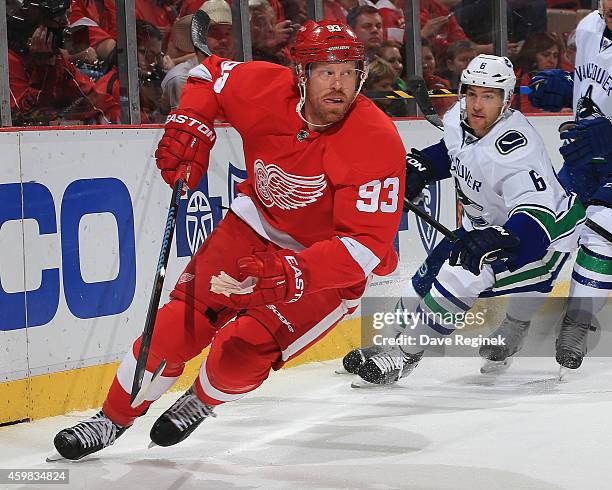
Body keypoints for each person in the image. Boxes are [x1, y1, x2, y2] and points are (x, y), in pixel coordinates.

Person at [52, 19, 406, 459]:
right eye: (325, 71)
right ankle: (112, 417)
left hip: (320, 267)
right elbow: (206, 74)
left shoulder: (375, 139)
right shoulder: (263, 86)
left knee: (243, 351)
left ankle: (202, 399)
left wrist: (292, 274)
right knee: (174, 328)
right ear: (301, 73)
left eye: (349, 72)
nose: (338, 84)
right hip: (252, 227)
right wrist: (193, 120)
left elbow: (364, 248)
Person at [342, 54, 585, 385]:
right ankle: (389, 342)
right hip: (482, 227)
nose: (477, 104)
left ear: (507, 100)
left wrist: (500, 238)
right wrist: (423, 167)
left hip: (539, 240)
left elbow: (537, 213)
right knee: (425, 276)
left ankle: (406, 355)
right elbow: (452, 152)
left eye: (489, 96)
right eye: (471, 93)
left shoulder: (516, 148)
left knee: (460, 275)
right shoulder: (458, 117)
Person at [512, 0, 612, 370]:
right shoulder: (587, 28)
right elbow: (593, 85)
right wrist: (565, 87)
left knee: (602, 233)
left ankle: (577, 326)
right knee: (547, 230)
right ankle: (515, 322)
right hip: (583, 159)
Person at [7, 0, 120, 125]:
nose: (66, 24)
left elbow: (92, 99)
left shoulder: (56, 57)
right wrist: (44, 68)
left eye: (67, 16)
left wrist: (121, 119)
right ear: (34, 22)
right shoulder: (7, 61)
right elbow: (25, 120)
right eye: (58, 17)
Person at [161, 0, 234, 111]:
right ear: (198, 37)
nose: (224, 39)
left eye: (228, 33)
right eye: (214, 33)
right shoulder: (182, 79)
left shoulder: (234, 74)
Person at [512, 32, 568, 113]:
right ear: (532, 55)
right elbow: (525, 110)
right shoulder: (522, 79)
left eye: (555, 56)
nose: (552, 61)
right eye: (546, 55)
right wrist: (555, 113)